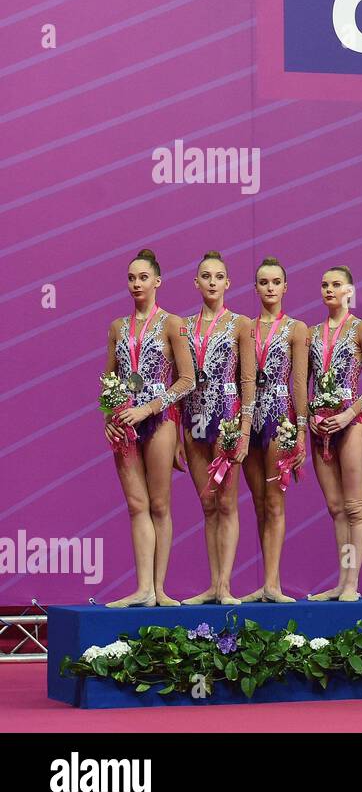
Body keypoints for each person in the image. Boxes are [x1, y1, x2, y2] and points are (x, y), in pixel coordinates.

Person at [102, 249, 195, 607]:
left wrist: (149, 408)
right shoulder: (117, 328)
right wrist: (109, 419)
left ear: (158, 281)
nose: (136, 284)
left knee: (158, 504)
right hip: (125, 420)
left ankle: (160, 589)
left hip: (160, 419)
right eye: (131, 278)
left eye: (143, 277)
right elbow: (109, 380)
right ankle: (142, 588)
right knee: (135, 504)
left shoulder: (173, 324)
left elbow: (187, 380)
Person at [179, 252, 254, 606]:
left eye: (218, 276)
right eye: (205, 276)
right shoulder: (183, 325)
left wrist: (244, 430)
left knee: (226, 504)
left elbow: (248, 380)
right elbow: (179, 379)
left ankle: (226, 586)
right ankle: (212, 585)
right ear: (196, 283)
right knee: (207, 504)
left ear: (227, 283)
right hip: (193, 418)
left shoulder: (241, 324)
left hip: (227, 414)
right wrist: (180, 434)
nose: (212, 281)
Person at [306, 266, 362, 602]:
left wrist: (349, 413)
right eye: (324, 285)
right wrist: (309, 413)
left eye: (336, 284)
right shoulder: (310, 333)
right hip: (320, 426)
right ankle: (341, 581)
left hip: (351, 422)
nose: (329, 290)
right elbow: (305, 382)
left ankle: (353, 581)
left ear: (349, 290)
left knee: (354, 505)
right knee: (335, 508)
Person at [239, 257, 308, 603]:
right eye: (263, 282)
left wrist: (301, 432)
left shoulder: (297, 328)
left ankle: (273, 585)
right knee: (259, 503)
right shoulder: (246, 328)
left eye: (275, 282)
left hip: (281, 415)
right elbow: (242, 379)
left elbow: (299, 382)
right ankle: (266, 583)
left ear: (285, 287)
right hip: (249, 418)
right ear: (255, 288)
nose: (269, 288)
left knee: (276, 502)